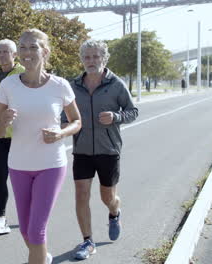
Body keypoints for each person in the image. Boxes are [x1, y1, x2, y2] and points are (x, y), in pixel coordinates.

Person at [0, 29, 82, 264]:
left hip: (50, 164)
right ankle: (43, 257)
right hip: (19, 164)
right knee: (25, 231)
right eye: (22, 47)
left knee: (36, 231)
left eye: (33, 47)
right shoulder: (8, 85)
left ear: (45, 51)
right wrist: (3, 121)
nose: (26, 52)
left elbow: (77, 121)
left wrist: (61, 133)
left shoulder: (60, 86)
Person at [61, 39, 138, 260]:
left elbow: (132, 111)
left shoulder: (116, 84)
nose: (91, 61)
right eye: (87, 57)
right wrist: (63, 124)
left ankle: (115, 213)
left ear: (104, 58)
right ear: (82, 59)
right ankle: (87, 241)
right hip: (82, 150)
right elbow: (62, 113)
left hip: (109, 150)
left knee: (108, 197)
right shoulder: (73, 86)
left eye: (95, 57)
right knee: (81, 195)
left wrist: (115, 117)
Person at [0, 39, 25, 235]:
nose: (1, 55)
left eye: (5, 52)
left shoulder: (22, 74)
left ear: (14, 54)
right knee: (1, 177)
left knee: (25, 177)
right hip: (0, 133)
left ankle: (30, 213)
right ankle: (1, 218)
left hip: (20, 133)